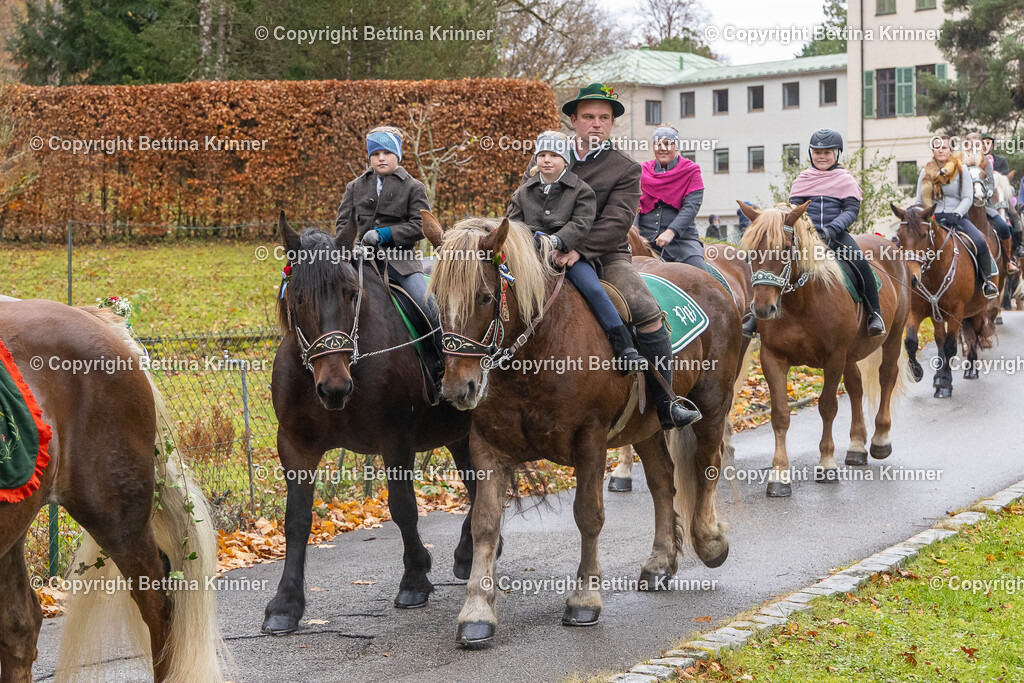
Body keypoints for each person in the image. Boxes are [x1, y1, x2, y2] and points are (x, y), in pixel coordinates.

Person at [554, 83, 700, 429]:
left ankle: (666, 403)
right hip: (546, 252)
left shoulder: (625, 167)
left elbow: (617, 221)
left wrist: (578, 249)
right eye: (588, 116)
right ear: (573, 120)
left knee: (646, 310)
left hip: (606, 257)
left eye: (604, 118)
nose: (596, 123)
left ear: (611, 123)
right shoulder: (550, 156)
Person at [508, 131, 646, 374]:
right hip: (530, 259)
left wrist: (558, 241)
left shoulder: (581, 190)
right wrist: (525, 246)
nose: (547, 160)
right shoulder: (523, 192)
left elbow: (582, 223)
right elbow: (513, 223)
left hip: (568, 256)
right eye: (542, 155)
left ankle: (624, 346)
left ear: (565, 160)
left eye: (554, 155)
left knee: (594, 289)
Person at [334, 126, 444, 383]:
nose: (381, 158)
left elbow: (419, 226)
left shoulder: (413, 187)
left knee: (429, 307)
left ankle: (442, 362)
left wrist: (385, 235)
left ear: (398, 155)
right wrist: (352, 243)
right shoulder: (355, 187)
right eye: (375, 154)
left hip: (401, 263)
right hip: (360, 262)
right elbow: (342, 225)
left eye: (387, 153)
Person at [787, 129, 886, 336]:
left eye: (827, 152)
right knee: (774, 261)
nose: (821, 156)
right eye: (817, 152)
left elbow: (851, 210)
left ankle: (875, 314)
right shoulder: (802, 179)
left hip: (837, 235)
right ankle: (756, 317)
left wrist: (832, 229)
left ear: (837, 154)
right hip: (806, 237)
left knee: (861, 264)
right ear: (811, 153)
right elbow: (794, 210)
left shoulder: (845, 180)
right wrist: (807, 229)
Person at [915, 135, 999, 299]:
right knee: (908, 242)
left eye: (944, 147)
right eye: (937, 147)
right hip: (932, 219)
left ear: (951, 150)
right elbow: (919, 200)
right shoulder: (925, 172)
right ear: (933, 150)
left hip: (957, 218)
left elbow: (968, 197)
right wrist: (923, 216)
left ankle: (987, 281)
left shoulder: (962, 170)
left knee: (980, 242)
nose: (940, 150)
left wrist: (957, 214)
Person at [634, 125, 705, 267]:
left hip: (682, 243)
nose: (663, 148)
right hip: (644, 242)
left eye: (668, 144)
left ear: (676, 147)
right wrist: (636, 236)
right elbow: (634, 205)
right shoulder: (641, 171)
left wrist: (671, 232)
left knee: (701, 274)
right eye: (658, 144)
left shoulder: (691, 171)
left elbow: (691, 207)